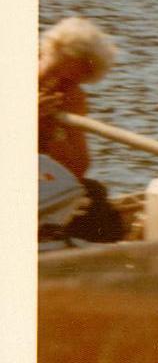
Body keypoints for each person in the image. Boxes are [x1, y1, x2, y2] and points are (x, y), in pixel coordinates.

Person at [39, 16, 126, 242]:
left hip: (42, 186)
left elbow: (79, 167)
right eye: (53, 72)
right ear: (42, 56)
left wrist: (53, 131)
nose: (55, 85)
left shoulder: (72, 98)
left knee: (95, 197)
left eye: (68, 82)